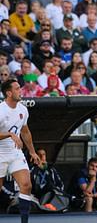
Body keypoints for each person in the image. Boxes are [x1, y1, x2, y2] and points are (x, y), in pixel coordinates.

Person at [0, 77, 40, 223]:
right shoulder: (1, 110)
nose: (20, 90)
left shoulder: (23, 109)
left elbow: (25, 131)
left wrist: (33, 151)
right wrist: (10, 135)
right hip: (0, 154)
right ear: (9, 93)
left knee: (26, 185)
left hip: (16, 152)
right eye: (17, 89)